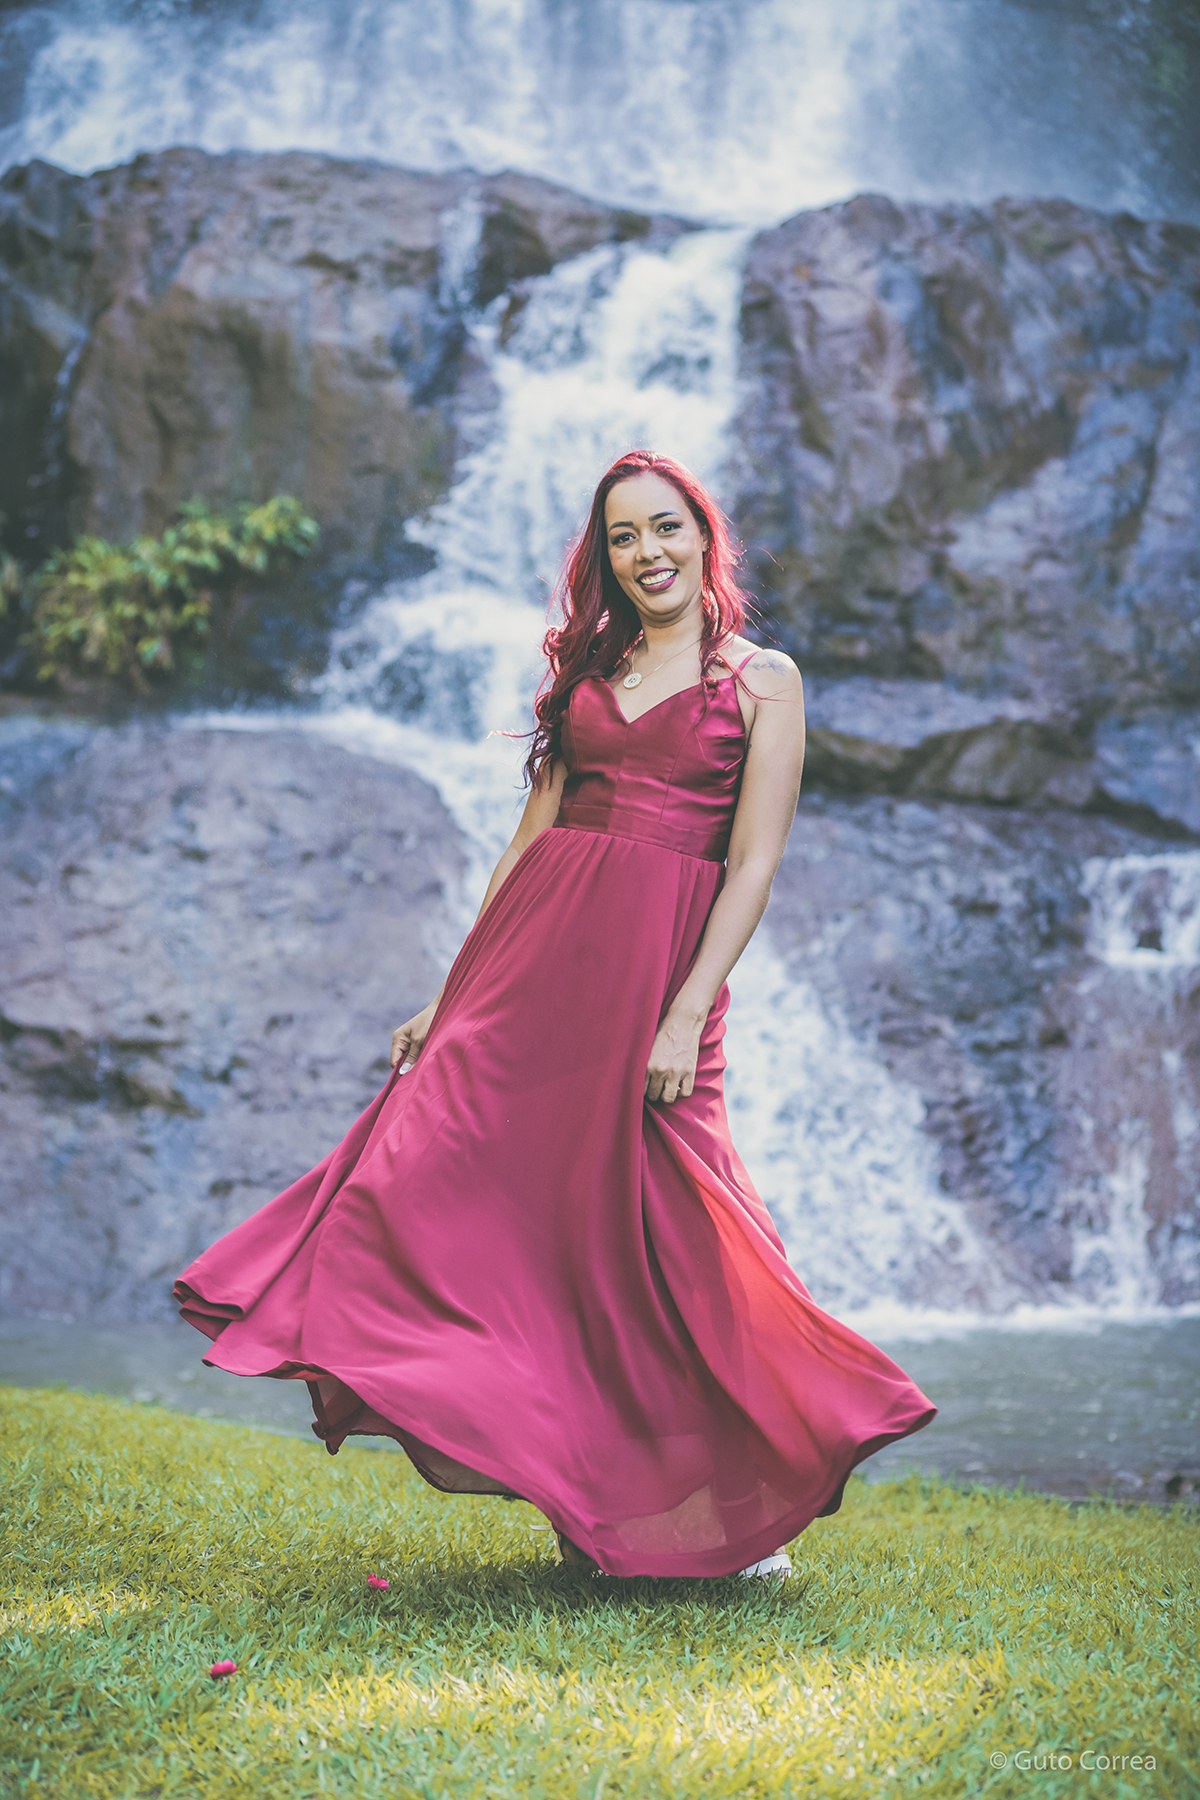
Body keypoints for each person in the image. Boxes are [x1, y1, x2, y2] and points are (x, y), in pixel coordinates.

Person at [175, 449, 935, 1580]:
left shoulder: (763, 679)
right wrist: (450, 993)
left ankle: (746, 1499)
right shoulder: (587, 676)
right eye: (624, 536)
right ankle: (587, 1500)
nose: (648, 552)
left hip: (658, 984)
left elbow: (754, 865)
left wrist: (684, 1014)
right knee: (492, 1211)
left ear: (704, 537)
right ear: (604, 557)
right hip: (533, 976)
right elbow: (529, 842)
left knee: (680, 1232)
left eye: (666, 527)